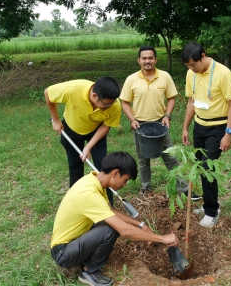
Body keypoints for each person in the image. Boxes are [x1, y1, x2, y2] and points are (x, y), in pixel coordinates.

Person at [50, 152, 179, 286]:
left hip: (72, 241)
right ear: (115, 173)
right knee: (111, 228)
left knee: (108, 220)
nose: (125, 184)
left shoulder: (94, 181)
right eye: (125, 179)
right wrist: (162, 238)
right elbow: (124, 231)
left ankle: (85, 255)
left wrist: (140, 225)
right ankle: (89, 271)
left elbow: (111, 211)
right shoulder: (89, 194)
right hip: (63, 253)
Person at [120, 45, 201, 200]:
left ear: (155, 59)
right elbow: (124, 102)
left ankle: (183, 189)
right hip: (140, 126)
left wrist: (167, 116)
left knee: (170, 157)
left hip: (160, 124)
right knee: (143, 159)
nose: (147, 61)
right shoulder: (131, 79)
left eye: (150, 58)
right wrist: (132, 119)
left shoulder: (164, 76)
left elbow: (171, 98)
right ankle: (146, 188)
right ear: (139, 60)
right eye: (144, 58)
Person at [181, 42, 231, 228]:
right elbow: (191, 101)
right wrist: (185, 127)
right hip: (199, 126)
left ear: (203, 56)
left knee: (208, 168)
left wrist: (228, 133)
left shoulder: (223, 73)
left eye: (193, 65)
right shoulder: (192, 73)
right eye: (188, 66)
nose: (191, 69)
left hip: (218, 127)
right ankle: (208, 205)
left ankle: (212, 211)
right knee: (199, 165)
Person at [45, 77, 122, 205]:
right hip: (72, 129)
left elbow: (106, 126)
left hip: (96, 131)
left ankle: (107, 203)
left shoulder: (115, 104)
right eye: (106, 104)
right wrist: (56, 120)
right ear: (95, 95)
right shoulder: (73, 89)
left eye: (111, 103)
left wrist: (88, 147)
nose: (109, 106)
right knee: (75, 167)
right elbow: (48, 92)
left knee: (103, 167)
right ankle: (77, 201)